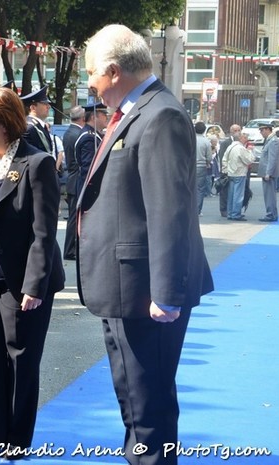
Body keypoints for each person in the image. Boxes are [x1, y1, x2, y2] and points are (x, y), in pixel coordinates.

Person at [79, 25, 213, 465]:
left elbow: (169, 211)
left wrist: (166, 293)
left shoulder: (160, 115)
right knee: (137, 404)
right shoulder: (139, 111)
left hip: (144, 292)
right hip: (125, 287)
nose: (90, 85)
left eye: (92, 74)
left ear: (114, 71)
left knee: (147, 408)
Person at [0, 86, 65, 457]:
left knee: (20, 358)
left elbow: (43, 231)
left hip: (23, 281)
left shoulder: (37, 164)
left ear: (5, 123)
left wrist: (33, 286)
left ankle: (16, 440)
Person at [62, 105, 85, 260]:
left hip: (72, 178)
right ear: (83, 118)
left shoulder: (71, 132)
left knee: (73, 217)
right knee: (73, 218)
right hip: (76, 179)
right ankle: (70, 250)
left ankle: (71, 249)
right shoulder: (77, 134)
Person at [73, 102, 108, 196]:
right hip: (90, 189)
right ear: (93, 117)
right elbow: (88, 168)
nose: (107, 117)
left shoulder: (94, 134)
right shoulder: (89, 137)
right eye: (104, 114)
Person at [221, 133, 254, 221]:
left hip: (231, 173)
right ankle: (236, 214)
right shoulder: (241, 148)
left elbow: (224, 159)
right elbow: (249, 160)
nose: (246, 139)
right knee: (238, 195)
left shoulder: (230, 147)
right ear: (241, 138)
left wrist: (226, 170)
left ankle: (230, 213)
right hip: (239, 173)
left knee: (231, 194)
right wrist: (250, 151)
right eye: (245, 137)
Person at [20, 86, 54, 160]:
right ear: (33, 108)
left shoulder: (40, 126)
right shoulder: (29, 127)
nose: (48, 106)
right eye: (44, 103)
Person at [256, 122, 279, 222]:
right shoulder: (269, 140)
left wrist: (268, 173)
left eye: (262, 130)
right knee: (269, 194)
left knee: (269, 195)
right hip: (268, 172)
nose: (261, 132)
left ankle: (271, 214)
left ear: (267, 129)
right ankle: (272, 214)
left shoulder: (273, 141)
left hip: (269, 173)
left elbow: (272, 159)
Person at [217, 124, 241, 217]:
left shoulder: (240, 142)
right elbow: (222, 156)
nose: (238, 132)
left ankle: (234, 209)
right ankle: (224, 209)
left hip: (237, 171)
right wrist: (224, 170)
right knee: (225, 191)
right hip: (226, 171)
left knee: (234, 192)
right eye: (236, 130)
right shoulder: (226, 143)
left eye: (239, 130)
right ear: (231, 131)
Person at [194, 121, 212, 215]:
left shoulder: (190, 139)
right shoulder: (206, 141)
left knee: (189, 188)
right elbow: (209, 156)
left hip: (190, 166)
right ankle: (197, 210)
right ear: (204, 130)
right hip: (201, 166)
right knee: (200, 189)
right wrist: (208, 163)